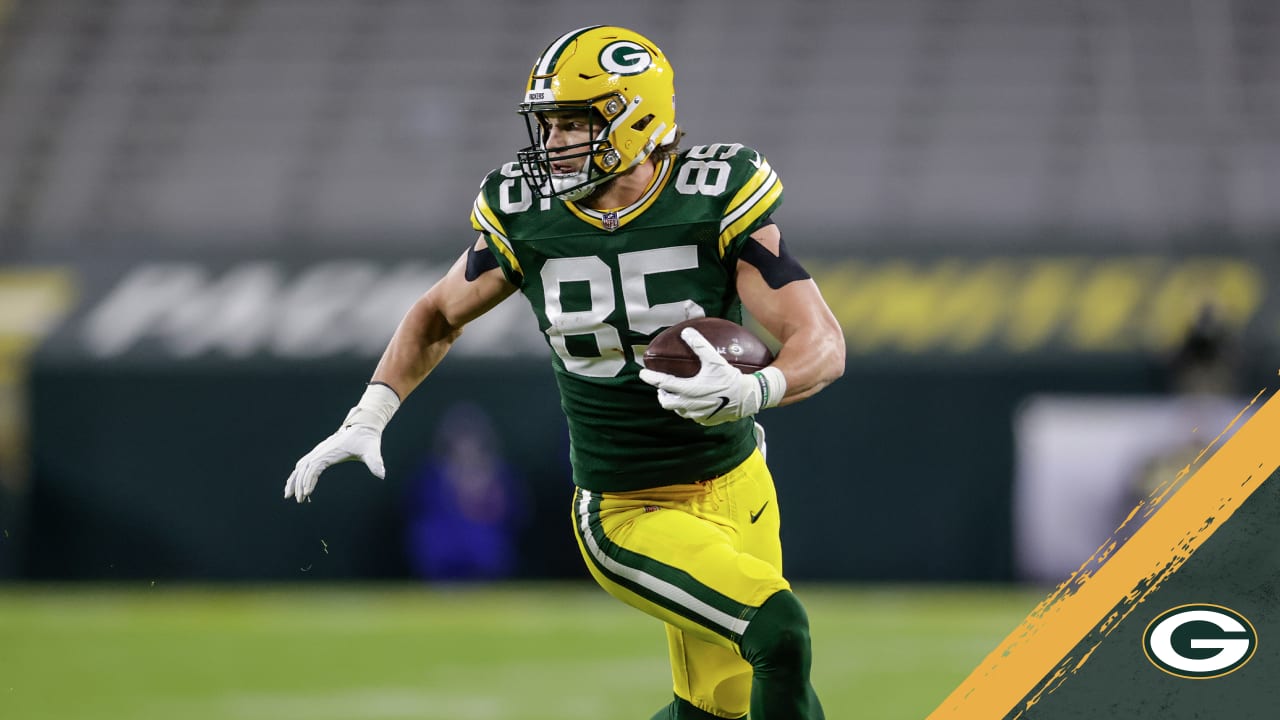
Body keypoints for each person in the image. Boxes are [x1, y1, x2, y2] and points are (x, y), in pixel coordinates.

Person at [284, 25, 844, 720]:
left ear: (638, 117)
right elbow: (436, 314)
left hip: (738, 481)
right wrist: (369, 414)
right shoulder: (529, 213)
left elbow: (820, 340)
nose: (552, 144)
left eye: (574, 124)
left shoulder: (713, 194)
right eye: (547, 126)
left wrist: (759, 387)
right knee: (779, 633)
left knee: (721, 706)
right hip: (628, 506)